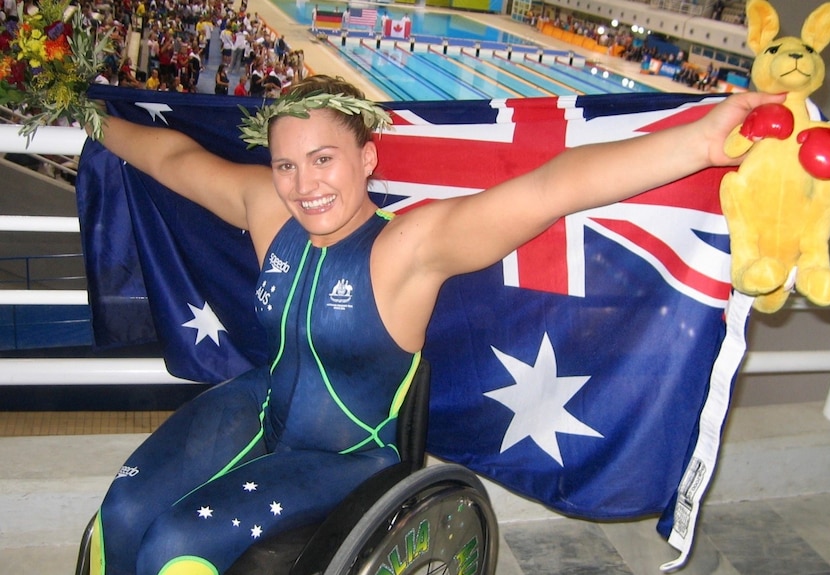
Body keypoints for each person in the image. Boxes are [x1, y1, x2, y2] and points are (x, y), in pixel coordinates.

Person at [86, 74, 784, 575]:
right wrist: (83, 112)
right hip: (258, 405)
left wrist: (698, 144)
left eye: (324, 160)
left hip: (345, 455)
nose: (305, 186)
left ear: (366, 159)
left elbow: (552, 187)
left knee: (175, 544)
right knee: (121, 514)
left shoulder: (408, 250)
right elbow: (171, 158)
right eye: (288, 166)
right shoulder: (268, 209)